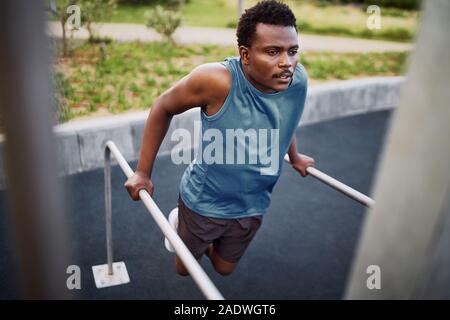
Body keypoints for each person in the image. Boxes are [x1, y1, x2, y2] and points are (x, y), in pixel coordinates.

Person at [124, 0, 315, 277]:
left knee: (224, 269)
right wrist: (142, 172)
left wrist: (295, 156)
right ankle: (181, 223)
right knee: (185, 270)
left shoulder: (296, 80)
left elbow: (283, 119)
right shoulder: (218, 81)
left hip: (254, 201)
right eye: (273, 52)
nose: (287, 62)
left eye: (292, 51)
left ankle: (202, 244)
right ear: (245, 55)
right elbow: (162, 107)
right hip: (205, 201)